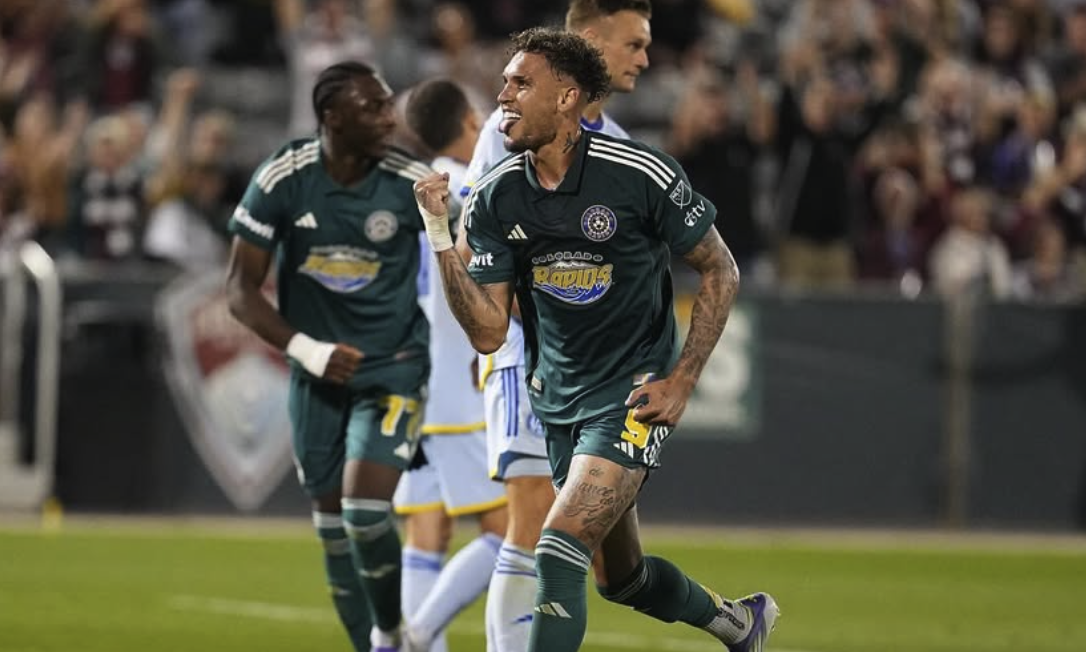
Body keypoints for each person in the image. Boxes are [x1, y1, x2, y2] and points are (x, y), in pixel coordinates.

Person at [413, 27, 778, 652]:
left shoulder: (638, 172)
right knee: (622, 578)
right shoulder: (498, 196)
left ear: (566, 97)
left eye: (520, 83)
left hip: (633, 392)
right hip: (558, 400)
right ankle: (738, 624)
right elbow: (489, 332)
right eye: (504, 82)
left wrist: (683, 378)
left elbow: (721, 268)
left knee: (555, 546)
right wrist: (442, 239)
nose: (502, 95)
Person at [458, 2, 653, 649]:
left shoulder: (619, 146)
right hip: (528, 352)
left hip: (592, 371)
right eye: (633, 43)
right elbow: (482, 244)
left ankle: (727, 619)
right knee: (534, 514)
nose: (643, 58)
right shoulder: (511, 126)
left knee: (602, 558)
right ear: (590, 40)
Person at [225, 60, 430, 652]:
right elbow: (238, 290)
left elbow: (475, 249)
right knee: (333, 528)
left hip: (393, 367)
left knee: (365, 513)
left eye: (389, 104)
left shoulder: (410, 180)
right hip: (316, 374)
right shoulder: (285, 176)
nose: (390, 117)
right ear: (332, 117)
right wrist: (306, 350)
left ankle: (390, 634)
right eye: (374, 107)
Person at [392, 78, 509, 652]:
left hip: (415, 385)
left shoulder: (414, 187)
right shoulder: (466, 186)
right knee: (512, 533)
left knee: (426, 532)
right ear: (470, 119)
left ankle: (409, 639)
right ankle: (413, 635)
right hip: (461, 389)